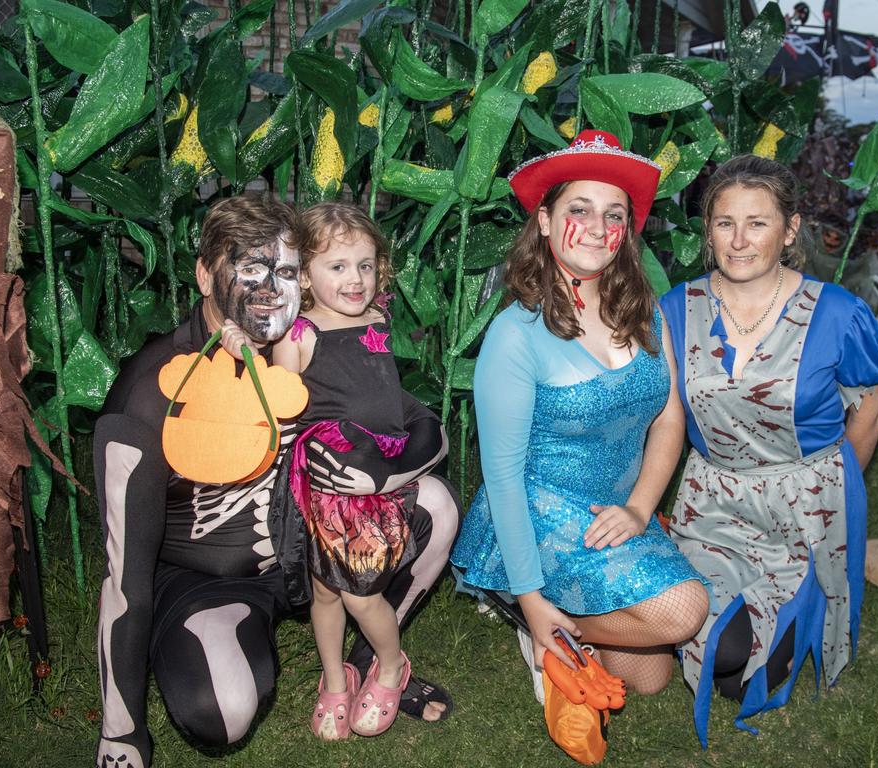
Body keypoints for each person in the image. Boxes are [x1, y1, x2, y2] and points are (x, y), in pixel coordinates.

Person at [93, 194, 457, 767]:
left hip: (320, 545)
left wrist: (380, 475)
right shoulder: (152, 390)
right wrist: (121, 730)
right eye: (250, 268)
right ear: (205, 272)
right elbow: (123, 577)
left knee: (435, 504)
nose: (268, 288)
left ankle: (370, 665)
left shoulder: (316, 345)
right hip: (214, 579)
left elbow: (419, 423)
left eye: (285, 271)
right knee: (223, 712)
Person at [451, 129, 710, 700]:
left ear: (627, 230)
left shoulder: (645, 314)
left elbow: (669, 421)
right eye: (580, 209)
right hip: (538, 512)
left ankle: (567, 629)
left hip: (615, 513)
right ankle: (540, 621)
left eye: (614, 214)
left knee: (649, 678)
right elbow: (503, 476)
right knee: (684, 610)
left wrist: (641, 509)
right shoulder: (514, 335)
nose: (598, 227)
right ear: (544, 221)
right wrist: (531, 597)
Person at [660, 154, 878, 746]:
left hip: (805, 519)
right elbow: (666, 416)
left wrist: (831, 490)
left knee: (743, 677)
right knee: (727, 653)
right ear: (707, 231)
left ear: (789, 230)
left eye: (757, 223)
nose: (739, 241)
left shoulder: (838, 312)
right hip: (711, 507)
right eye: (724, 223)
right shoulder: (675, 309)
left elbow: (871, 411)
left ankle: (806, 595)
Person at [272, 202, 442, 740]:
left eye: (366, 265)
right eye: (338, 266)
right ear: (303, 275)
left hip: (373, 486)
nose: (356, 279)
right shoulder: (297, 337)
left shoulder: (378, 321)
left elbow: (387, 401)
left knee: (362, 594)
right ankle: (335, 679)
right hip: (324, 488)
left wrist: (395, 459)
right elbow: (279, 411)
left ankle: (390, 665)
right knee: (327, 592)